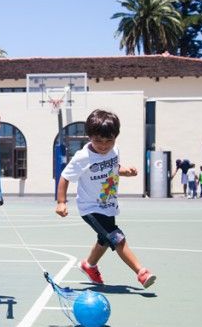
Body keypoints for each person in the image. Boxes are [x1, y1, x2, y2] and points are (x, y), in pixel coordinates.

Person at [55, 109, 156, 289]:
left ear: (116, 137)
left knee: (104, 239)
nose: (103, 145)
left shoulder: (114, 150)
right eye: (98, 140)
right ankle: (141, 272)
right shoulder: (82, 157)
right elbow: (65, 177)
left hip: (108, 204)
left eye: (109, 140)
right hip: (91, 208)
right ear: (89, 136)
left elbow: (113, 168)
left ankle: (89, 264)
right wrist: (61, 202)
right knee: (117, 237)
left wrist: (125, 171)